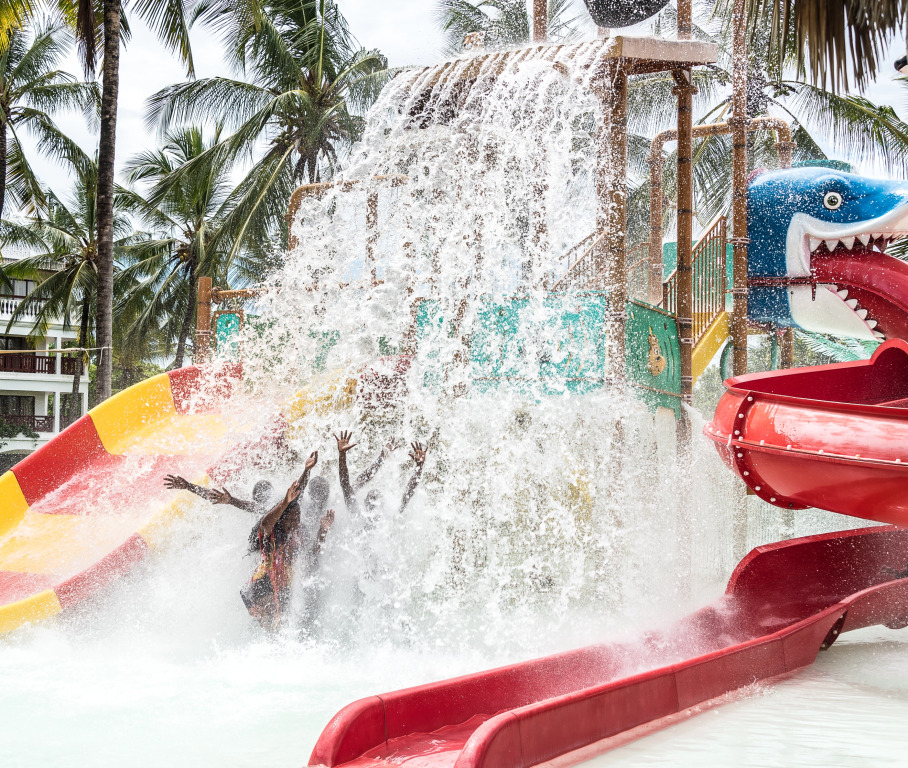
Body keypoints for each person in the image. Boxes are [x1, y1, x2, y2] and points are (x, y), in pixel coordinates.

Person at [240, 451, 336, 630]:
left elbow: (312, 554)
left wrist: (322, 531)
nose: (294, 523)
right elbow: (266, 522)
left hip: (284, 580)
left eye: (297, 518)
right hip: (265, 579)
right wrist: (286, 500)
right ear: (281, 519)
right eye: (290, 519)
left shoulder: (300, 531)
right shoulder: (272, 530)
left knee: (284, 622)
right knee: (270, 619)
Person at [334, 430, 427, 523]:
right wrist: (342, 455)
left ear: (382, 505)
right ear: (365, 503)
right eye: (371, 500)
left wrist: (419, 467)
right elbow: (345, 485)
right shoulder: (357, 517)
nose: (373, 504)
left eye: (374, 500)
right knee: (354, 486)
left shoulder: (389, 523)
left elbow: (408, 494)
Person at [163, 474, 274, 515]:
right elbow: (213, 495)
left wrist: (188, 486)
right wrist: (188, 486)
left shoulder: (273, 507)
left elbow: (258, 508)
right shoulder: (249, 503)